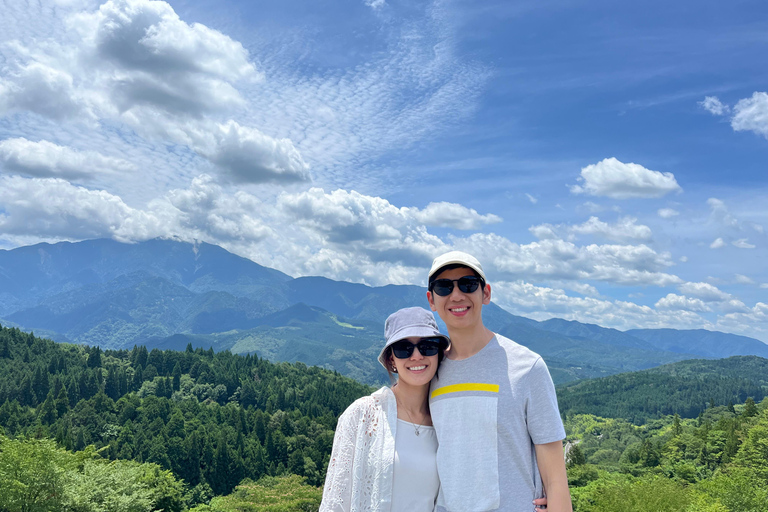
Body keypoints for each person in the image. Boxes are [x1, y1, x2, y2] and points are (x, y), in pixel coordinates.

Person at [426, 250, 572, 512]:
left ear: (486, 294)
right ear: (432, 300)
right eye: (444, 286)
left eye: (468, 284)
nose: (456, 295)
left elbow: (555, 478)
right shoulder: (430, 371)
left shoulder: (527, 367)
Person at [319, 306, 450, 512]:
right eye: (403, 348)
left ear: (439, 354)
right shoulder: (362, 415)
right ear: (392, 360)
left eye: (427, 346)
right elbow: (335, 500)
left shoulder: (446, 423)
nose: (416, 356)